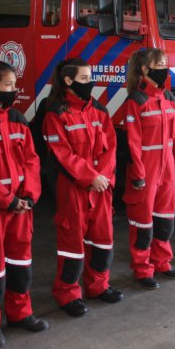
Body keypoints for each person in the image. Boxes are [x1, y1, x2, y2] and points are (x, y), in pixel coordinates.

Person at [43, 58, 123, 317]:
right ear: (68, 81)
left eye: (90, 78)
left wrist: (104, 177)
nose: (91, 83)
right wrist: (91, 177)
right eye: (85, 79)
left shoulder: (98, 110)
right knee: (72, 244)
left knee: (102, 240)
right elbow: (61, 154)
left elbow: (111, 146)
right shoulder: (56, 112)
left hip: (101, 186)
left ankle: (98, 286)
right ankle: (68, 294)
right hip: (73, 188)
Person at [0, 60, 48, 348]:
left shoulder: (18, 119)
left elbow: (31, 160)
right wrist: (8, 200)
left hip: (21, 207)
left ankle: (20, 313)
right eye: (8, 86)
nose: (14, 90)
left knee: (20, 262)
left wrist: (30, 196)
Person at [123, 49, 175, 289]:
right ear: (144, 69)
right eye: (159, 64)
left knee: (164, 218)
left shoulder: (169, 98)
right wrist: (138, 173)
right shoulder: (136, 101)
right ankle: (142, 268)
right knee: (142, 222)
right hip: (146, 168)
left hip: (168, 167)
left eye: (165, 64)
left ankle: (162, 262)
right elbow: (133, 141)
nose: (164, 68)